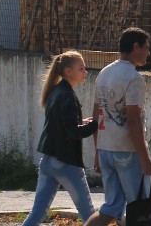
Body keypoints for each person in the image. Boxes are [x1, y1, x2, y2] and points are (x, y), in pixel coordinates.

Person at [84, 27, 151, 226]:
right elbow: (133, 120)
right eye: (146, 48)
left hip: (106, 149)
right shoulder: (134, 78)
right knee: (138, 208)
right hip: (127, 151)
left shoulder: (104, 73)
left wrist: (98, 151)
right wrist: (145, 158)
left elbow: (97, 115)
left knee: (111, 208)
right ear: (135, 47)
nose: (148, 53)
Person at [21, 51, 98, 226]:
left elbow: (62, 124)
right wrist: (95, 125)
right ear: (68, 72)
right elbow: (73, 131)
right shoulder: (68, 96)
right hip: (67, 164)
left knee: (37, 215)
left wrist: (82, 122)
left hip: (48, 162)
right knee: (89, 216)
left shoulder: (55, 92)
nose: (85, 72)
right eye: (81, 68)